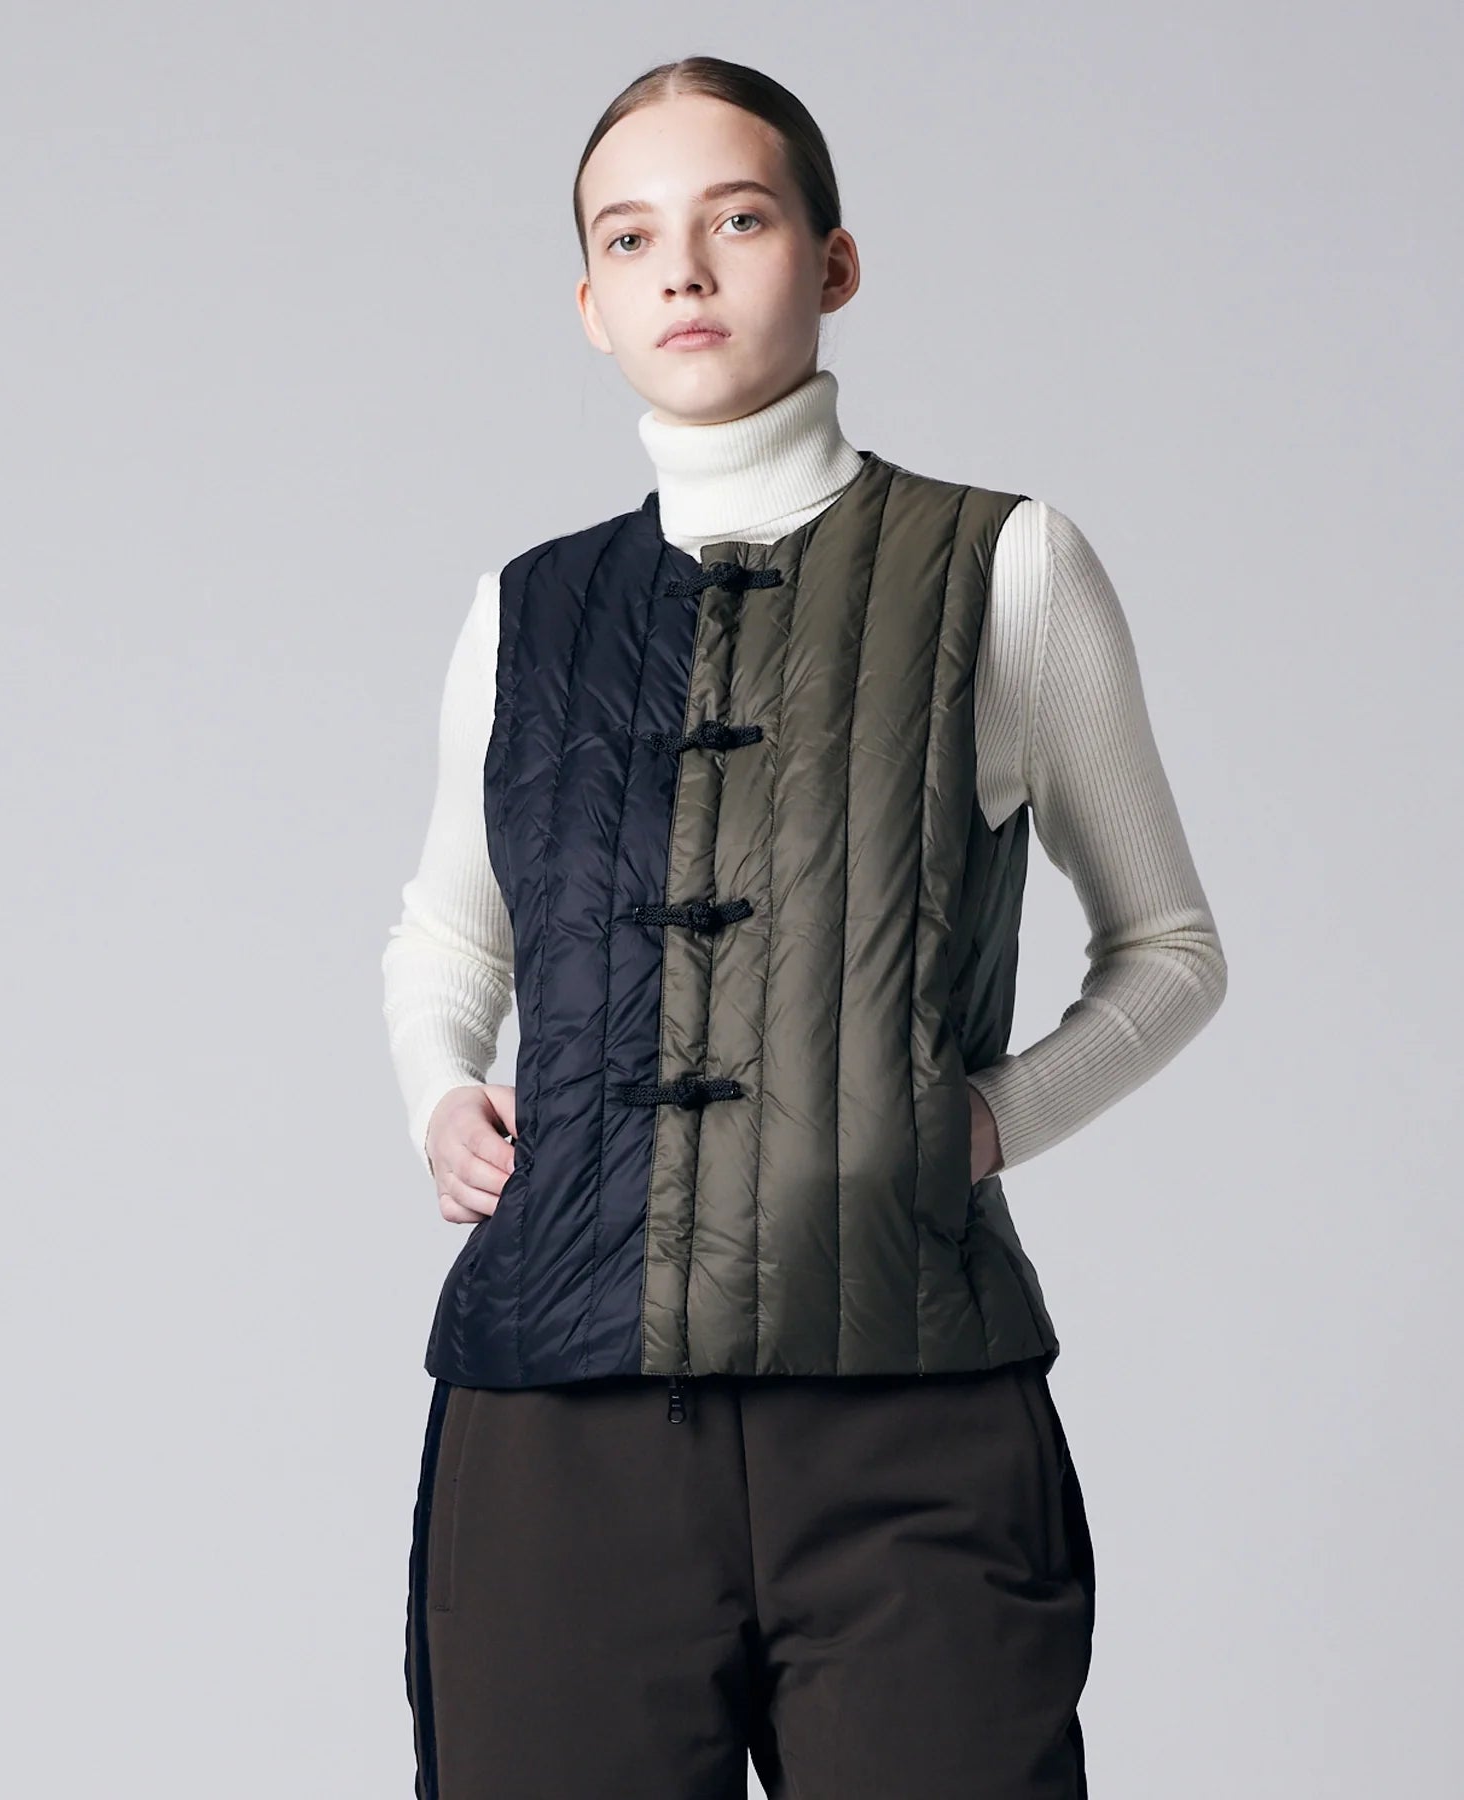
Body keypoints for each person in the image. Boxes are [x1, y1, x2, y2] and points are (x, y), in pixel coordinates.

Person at [382, 53, 1227, 1800]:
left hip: (910, 1413)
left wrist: (990, 1119)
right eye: (631, 238)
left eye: (739, 219)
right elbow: (449, 939)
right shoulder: (523, 613)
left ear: (833, 262)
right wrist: (440, 1092)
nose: (682, 270)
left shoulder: (1007, 567)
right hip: (555, 1431)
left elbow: (1169, 948)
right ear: (591, 303)